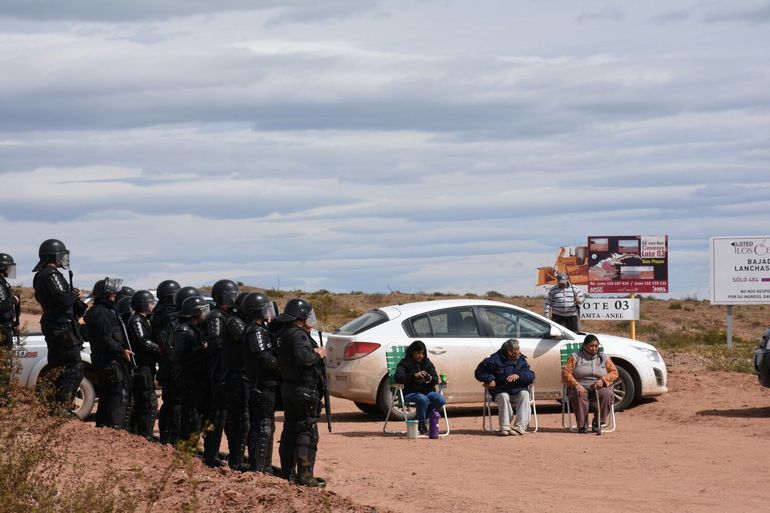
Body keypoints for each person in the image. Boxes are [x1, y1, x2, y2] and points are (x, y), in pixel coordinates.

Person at [275, 298, 326, 488]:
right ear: (301, 316)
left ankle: (286, 472)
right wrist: (319, 353)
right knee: (307, 432)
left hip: (289, 388)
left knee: (289, 429)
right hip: (304, 389)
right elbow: (304, 359)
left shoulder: (282, 333)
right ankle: (304, 475)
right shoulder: (298, 335)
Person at [32, 239, 86, 413]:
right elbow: (63, 300)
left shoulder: (40, 275)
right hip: (61, 325)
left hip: (55, 323)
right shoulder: (50, 274)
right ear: (53, 256)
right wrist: (75, 293)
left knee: (57, 367)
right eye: (61, 255)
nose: (63, 258)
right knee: (73, 366)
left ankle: (54, 406)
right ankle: (61, 407)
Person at [84, 277, 133, 429]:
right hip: (109, 359)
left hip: (106, 358)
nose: (115, 296)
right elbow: (104, 338)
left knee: (107, 393)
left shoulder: (102, 311)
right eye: (112, 294)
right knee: (117, 393)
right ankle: (114, 428)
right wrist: (121, 350)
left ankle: (105, 427)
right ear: (106, 295)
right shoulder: (101, 313)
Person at [202, 279, 240, 468]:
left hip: (228, 371)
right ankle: (210, 454)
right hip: (219, 371)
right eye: (231, 295)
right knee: (218, 416)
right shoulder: (216, 316)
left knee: (228, 416)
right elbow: (216, 342)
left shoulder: (229, 315)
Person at [240, 292, 279, 474]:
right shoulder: (254, 331)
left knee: (268, 424)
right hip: (260, 384)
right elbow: (264, 358)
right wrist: (280, 362)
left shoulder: (260, 329)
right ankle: (259, 468)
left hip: (264, 383)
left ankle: (265, 466)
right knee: (263, 426)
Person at [474, 338, 535, 436]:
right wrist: (489, 379)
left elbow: (531, 375)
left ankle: (520, 427)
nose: (520, 351)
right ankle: (505, 427)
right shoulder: (492, 360)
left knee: (525, 394)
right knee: (503, 396)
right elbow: (478, 373)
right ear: (510, 352)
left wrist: (520, 376)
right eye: (518, 349)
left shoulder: (521, 360)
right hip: (500, 391)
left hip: (516, 391)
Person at [562, 334, 618, 433]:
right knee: (580, 394)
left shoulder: (604, 358)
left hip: (598, 387)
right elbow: (565, 373)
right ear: (584, 346)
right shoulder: (575, 357)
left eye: (596, 346)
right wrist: (576, 385)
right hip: (579, 386)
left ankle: (598, 422)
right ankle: (582, 425)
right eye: (591, 346)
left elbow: (614, 373)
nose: (594, 348)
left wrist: (603, 380)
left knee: (607, 394)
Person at [172, 294, 209, 444]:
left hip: (197, 378)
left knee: (196, 415)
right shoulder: (183, 330)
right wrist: (202, 348)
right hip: (187, 379)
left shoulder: (195, 328)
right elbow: (182, 357)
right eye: (201, 311)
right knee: (190, 415)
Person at [127, 290, 161, 440]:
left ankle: (141, 433)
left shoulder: (145, 319)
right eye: (150, 303)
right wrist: (160, 349)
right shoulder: (137, 320)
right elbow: (142, 341)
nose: (153, 305)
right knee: (149, 402)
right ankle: (145, 434)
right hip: (141, 367)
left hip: (147, 365)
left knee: (145, 401)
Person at [394, 340, 446, 436]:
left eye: (422, 353)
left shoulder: (427, 362)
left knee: (440, 399)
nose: (421, 356)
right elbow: (398, 377)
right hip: (411, 392)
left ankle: (424, 419)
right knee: (422, 399)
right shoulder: (405, 363)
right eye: (418, 353)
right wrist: (414, 375)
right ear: (412, 352)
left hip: (427, 391)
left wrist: (429, 378)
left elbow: (435, 378)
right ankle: (421, 424)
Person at [152, 279, 182, 445]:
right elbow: (169, 344)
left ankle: (167, 438)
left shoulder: (160, 313)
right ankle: (171, 440)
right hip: (172, 367)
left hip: (166, 366)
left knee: (169, 403)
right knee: (175, 404)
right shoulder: (169, 316)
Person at [0, 253, 20, 349]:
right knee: (5, 359)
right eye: (9, 266)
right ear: (3, 266)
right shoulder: (0, 283)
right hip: (2, 328)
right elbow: (2, 306)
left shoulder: (3, 282)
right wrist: (14, 299)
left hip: (6, 326)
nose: (10, 269)